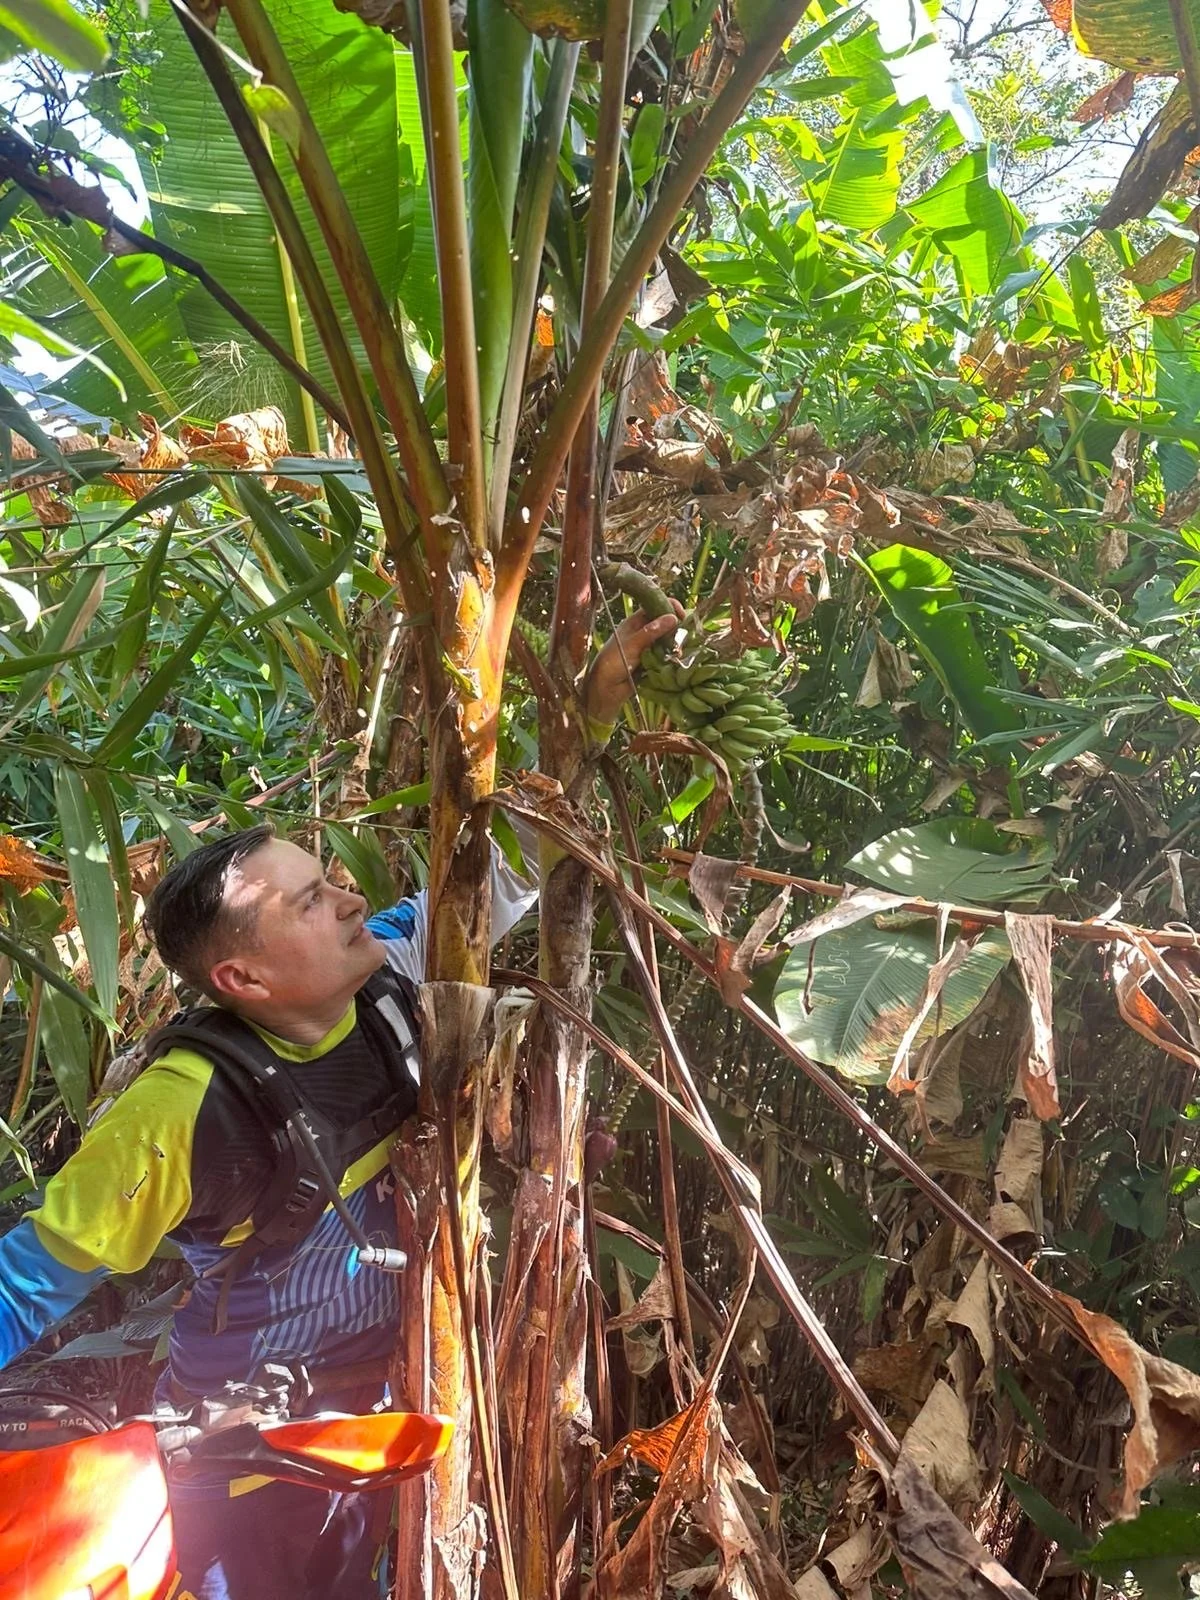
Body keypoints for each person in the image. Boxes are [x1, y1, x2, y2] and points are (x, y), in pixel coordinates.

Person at [0, 609, 677, 1600]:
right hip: (245, 1451)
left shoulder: (393, 972)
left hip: (391, 1408)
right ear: (244, 975)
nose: (352, 899)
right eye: (312, 901)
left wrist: (588, 712)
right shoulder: (186, 1109)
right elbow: (29, 1282)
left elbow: (515, 867)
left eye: (330, 881)